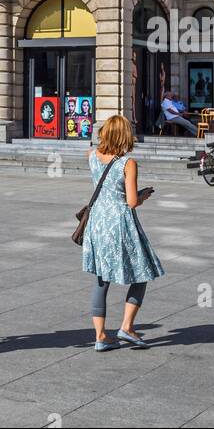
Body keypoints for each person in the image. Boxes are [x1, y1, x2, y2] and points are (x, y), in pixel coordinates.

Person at [83, 114, 164, 351]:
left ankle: (100, 336)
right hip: (120, 224)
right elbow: (130, 202)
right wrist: (143, 195)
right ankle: (126, 327)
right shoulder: (128, 163)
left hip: (97, 223)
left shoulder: (91, 157)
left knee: (101, 280)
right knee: (141, 273)